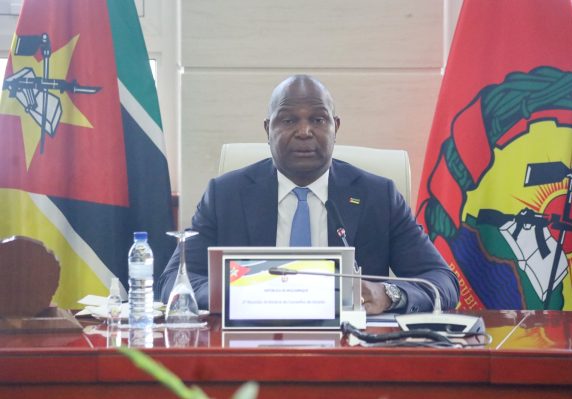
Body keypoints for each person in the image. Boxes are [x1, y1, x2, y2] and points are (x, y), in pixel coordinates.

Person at [158, 75, 459, 314]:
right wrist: (236, 293)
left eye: (318, 120)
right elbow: (173, 281)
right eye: (289, 120)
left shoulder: (378, 196)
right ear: (268, 129)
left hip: (350, 351)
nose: (304, 131)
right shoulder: (225, 195)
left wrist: (389, 294)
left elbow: (442, 281)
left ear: (335, 127)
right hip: (250, 345)